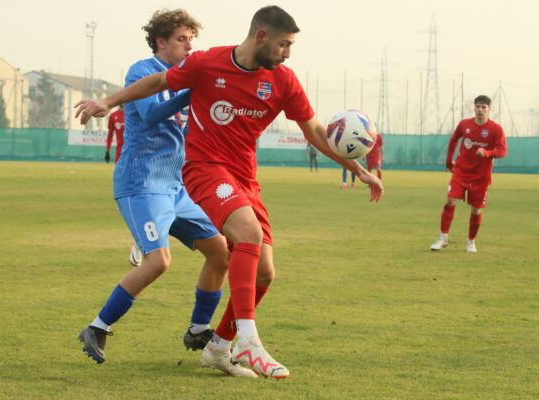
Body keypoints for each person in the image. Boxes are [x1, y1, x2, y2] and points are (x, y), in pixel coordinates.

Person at [75, 5, 384, 379]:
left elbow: (314, 130)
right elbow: (157, 86)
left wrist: (358, 169)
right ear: (261, 37)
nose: (288, 52)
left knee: (262, 273)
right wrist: (108, 102)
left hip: (243, 180)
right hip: (199, 171)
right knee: (237, 238)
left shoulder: (283, 80)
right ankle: (248, 342)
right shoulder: (206, 63)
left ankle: (218, 347)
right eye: (284, 44)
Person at [77, 9, 256, 378]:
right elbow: (154, 114)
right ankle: (97, 327)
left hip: (177, 188)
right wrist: (191, 91)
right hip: (142, 184)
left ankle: (197, 329)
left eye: (192, 40)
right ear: (161, 42)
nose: (190, 46)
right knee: (159, 263)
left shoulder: (188, 76)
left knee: (221, 252)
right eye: (181, 39)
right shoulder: (141, 72)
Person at [430, 95, 506, 253]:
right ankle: (443, 237)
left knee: (476, 210)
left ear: (489, 109)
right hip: (461, 171)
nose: (480, 110)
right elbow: (453, 140)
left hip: (481, 176)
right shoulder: (464, 124)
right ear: (474, 108)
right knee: (450, 200)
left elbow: (502, 151)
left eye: (483, 107)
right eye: (477, 106)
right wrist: (448, 161)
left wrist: (486, 152)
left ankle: (471, 241)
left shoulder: (496, 129)